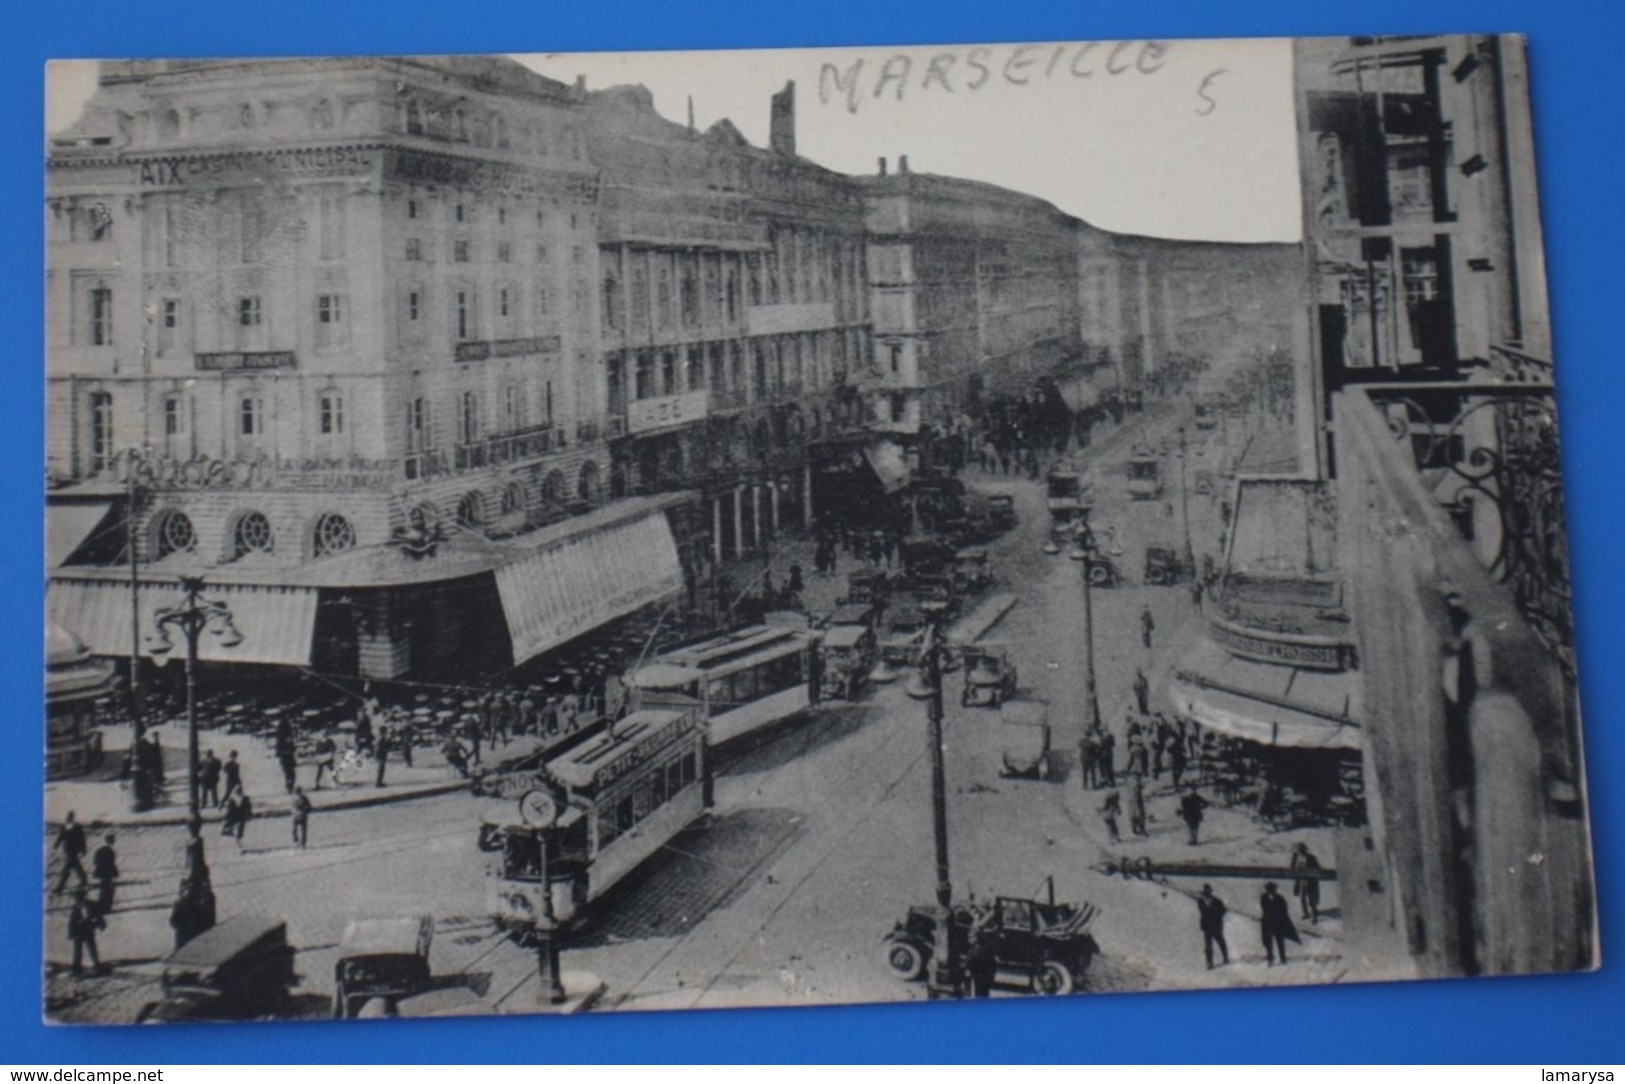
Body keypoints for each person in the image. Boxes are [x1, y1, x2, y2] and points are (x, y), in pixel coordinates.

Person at [67, 888, 106, 978]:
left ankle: (96, 966)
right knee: (78, 951)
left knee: (91, 949)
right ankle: (76, 968)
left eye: (78, 898)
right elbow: (72, 922)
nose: (77, 900)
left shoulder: (91, 905)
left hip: (87, 930)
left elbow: (98, 915)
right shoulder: (76, 907)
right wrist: (71, 933)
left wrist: (100, 924)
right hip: (78, 931)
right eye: (76, 898)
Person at [1259, 881, 1299, 965]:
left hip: (1278, 923)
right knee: (1268, 942)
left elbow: (1284, 910)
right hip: (1268, 923)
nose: (1270, 891)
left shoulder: (1280, 899)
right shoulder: (1264, 897)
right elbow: (1264, 908)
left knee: (1279, 941)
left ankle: (1283, 957)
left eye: (1272, 889)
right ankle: (1270, 957)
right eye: (1269, 889)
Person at [53, 811, 88, 894]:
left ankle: (60, 887)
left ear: (72, 818)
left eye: (70, 817)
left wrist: (83, 849)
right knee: (76, 865)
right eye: (68, 817)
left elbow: (82, 839)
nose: (68, 818)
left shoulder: (78, 827)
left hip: (74, 850)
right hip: (67, 850)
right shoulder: (63, 827)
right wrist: (55, 846)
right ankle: (84, 880)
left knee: (68, 867)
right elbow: (60, 837)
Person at [1197, 884, 1229, 969]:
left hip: (1216, 926)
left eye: (1208, 892)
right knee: (1208, 946)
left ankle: (1225, 957)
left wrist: (1217, 916)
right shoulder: (1200, 901)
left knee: (1221, 942)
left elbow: (1224, 911)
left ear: (1211, 892)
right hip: (1207, 927)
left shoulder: (1217, 901)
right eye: (1205, 892)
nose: (1207, 894)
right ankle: (1209, 963)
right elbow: (1203, 912)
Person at [1290, 842, 1323, 923]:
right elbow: (1293, 869)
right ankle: (1306, 913)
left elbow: (1318, 869)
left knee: (1312, 900)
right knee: (1303, 898)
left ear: (1304, 850)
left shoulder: (1311, 858)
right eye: (1298, 850)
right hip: (1302, 881)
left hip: (1311, 881)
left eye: (1301, 850)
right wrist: (1293, 859)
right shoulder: (1298, 858)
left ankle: (1315, 917)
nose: (1300, 852)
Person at [91, 832, 119, 916]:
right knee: (108, 891)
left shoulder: (99, 850)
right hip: (107, 873)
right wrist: (114, 873)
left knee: (103, 890)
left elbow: (95, 862)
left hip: (101, 873)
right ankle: (106, 907)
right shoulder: (110, 851)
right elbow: (111, 863)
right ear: (112, 841)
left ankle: (102, 907)